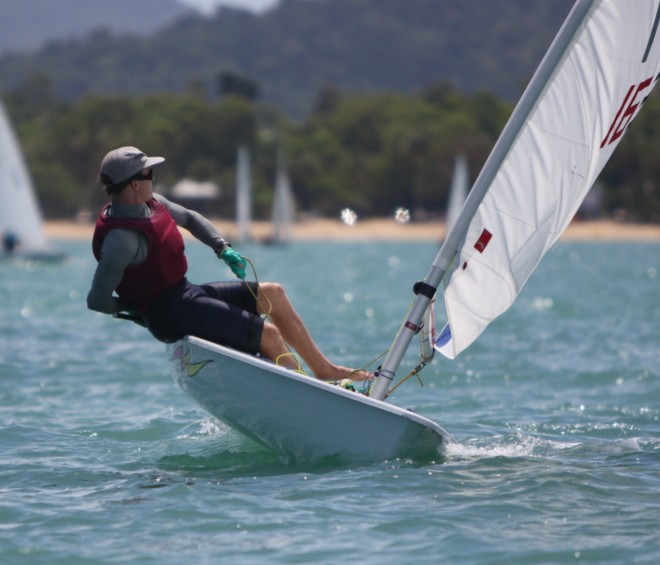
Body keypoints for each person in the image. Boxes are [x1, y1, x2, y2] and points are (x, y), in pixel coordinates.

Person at [87, 146, 368, 382]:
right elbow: (96, 299)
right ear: (135, 183)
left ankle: (323, 370)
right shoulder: (121, 241)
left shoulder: (153, 203)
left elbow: (191, 219)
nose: (154, 178)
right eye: (150, 174)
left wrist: (222, 248)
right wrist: (134, 310)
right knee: (268, 335)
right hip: (168, 315)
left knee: (274, 294)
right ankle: (313, 398)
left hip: (186, 293)